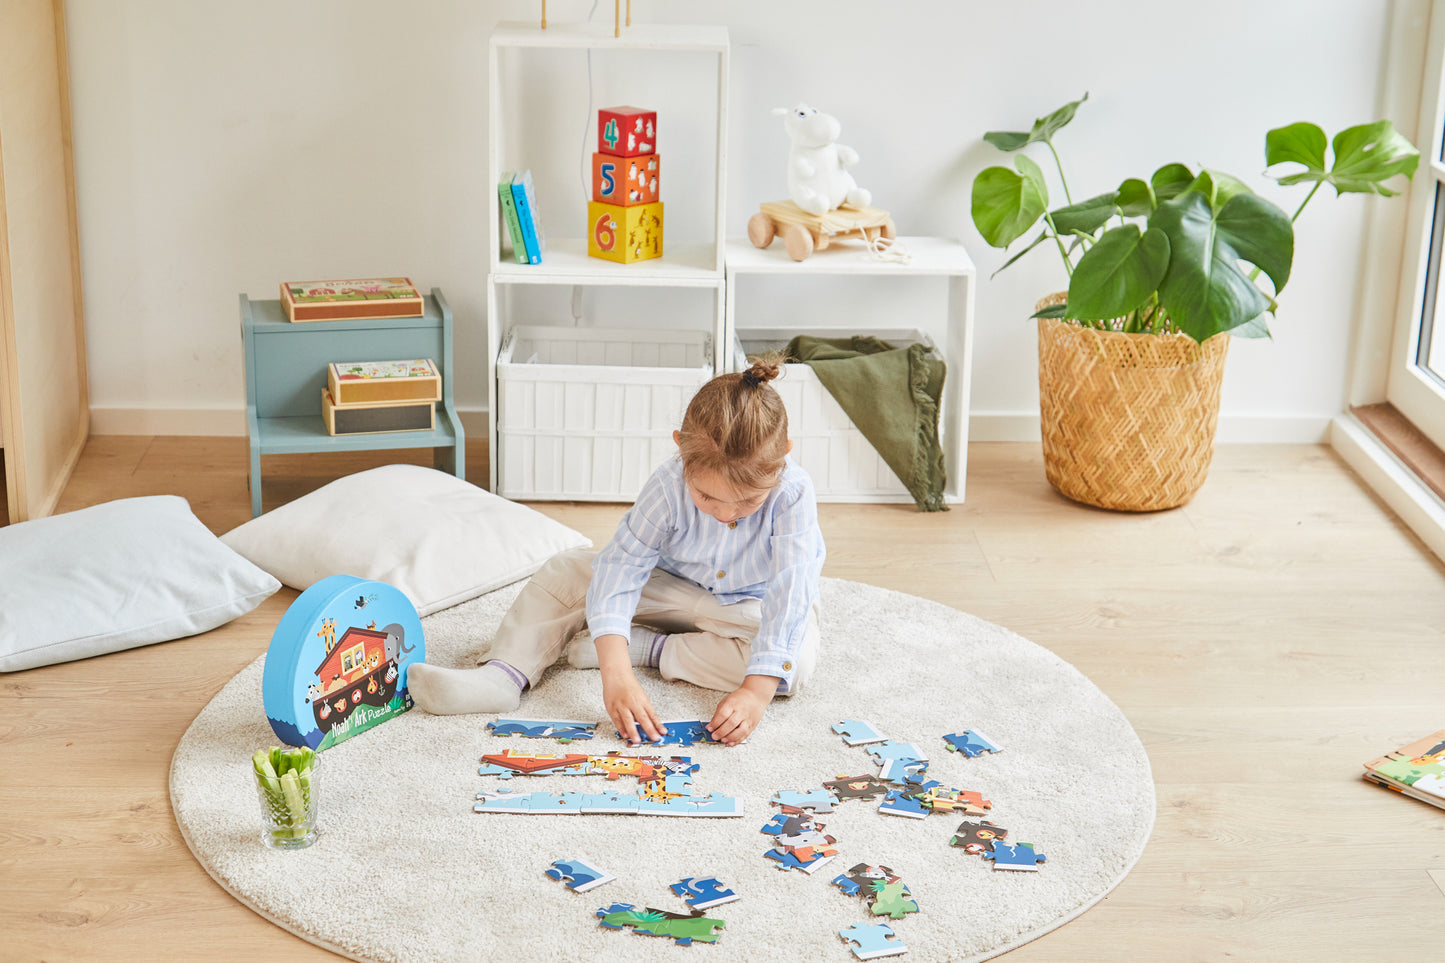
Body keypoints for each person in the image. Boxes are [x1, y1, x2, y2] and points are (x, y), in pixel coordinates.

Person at [407, 358, 826, 747]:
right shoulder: (667, 484)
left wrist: (755, 693)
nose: (726, 514)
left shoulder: (793, 494)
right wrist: (616, 673)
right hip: (667, 592)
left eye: (747, 503)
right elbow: (622, 570)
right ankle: (503, 674)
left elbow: (790, 596)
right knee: (567, 570)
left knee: (796, 659)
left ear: (784, 455)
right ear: (681, 449)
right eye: (707, 497)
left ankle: (650, 649)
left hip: (746, 609)